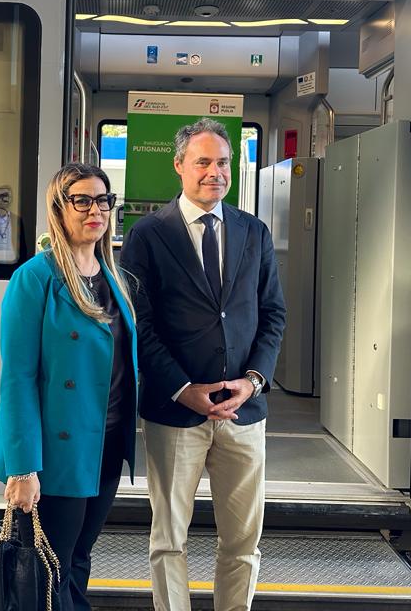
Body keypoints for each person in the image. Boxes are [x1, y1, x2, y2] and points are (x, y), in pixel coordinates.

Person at [120, 118, 286, 611]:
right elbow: (139, 323)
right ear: (179, 166)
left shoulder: (253, 231)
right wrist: (182, 388)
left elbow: (273, 314)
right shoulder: (148, 234)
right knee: (169, 539)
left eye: (223, 162)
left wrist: (253, 381)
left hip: (243, 414)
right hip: (175, 412)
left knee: (243, 542)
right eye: (203, 162)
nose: (215, 172)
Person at [0, 163, 138, 611]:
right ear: (59, 208)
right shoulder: (35, 278)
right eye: (82, 201)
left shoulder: (112, 277)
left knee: (77, 559)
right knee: (50, 569)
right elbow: (17, 378)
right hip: (57, 453)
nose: (96, 210)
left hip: (105, 445)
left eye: (103, 200)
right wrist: (22, 469)